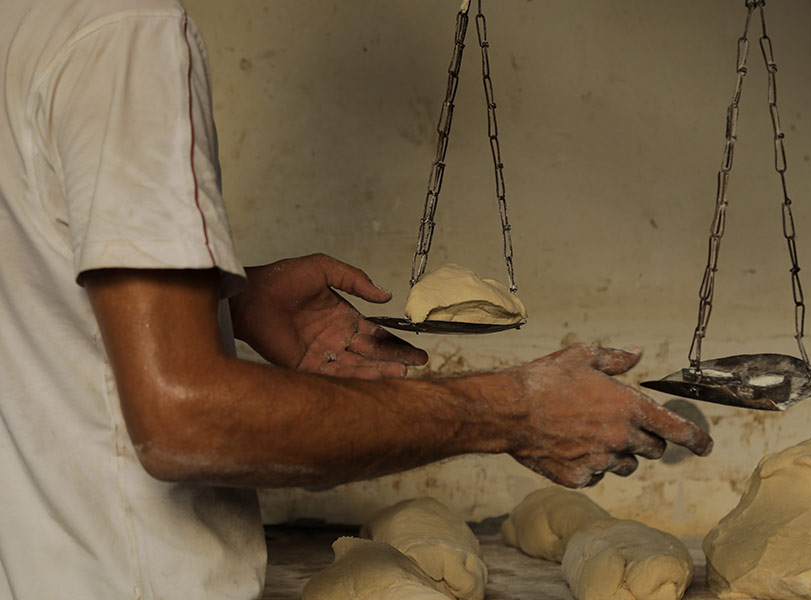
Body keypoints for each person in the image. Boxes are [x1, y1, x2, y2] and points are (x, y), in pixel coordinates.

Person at [0, 0, 713, 598]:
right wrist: (515, 410)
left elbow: (33, 279)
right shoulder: (128, 30)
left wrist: (221, 299)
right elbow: (184, 422)